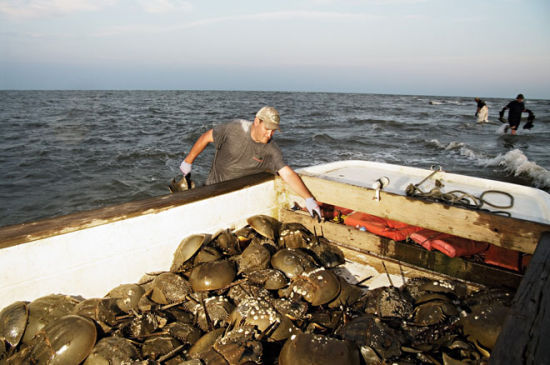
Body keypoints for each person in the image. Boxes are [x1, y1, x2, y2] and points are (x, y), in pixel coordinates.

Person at [179, 106, 322, 219]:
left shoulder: (271, 150)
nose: (269, 134)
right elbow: (206, 137)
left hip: (239, 197)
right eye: (267, 129)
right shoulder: (234, 128)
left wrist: (309, 199)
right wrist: (188, 161)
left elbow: (287, 173)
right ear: (257, 121)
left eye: (273, 131)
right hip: (213, 189)